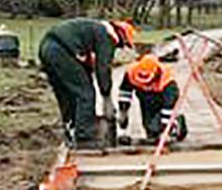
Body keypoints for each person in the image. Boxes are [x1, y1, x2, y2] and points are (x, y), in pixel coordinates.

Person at [38, 18, 135, 148]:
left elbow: (86, 67)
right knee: (86, 94)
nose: (117, 48)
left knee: (66, 94)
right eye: (121, 45)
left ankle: (71, 129)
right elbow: (103, 68)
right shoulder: (106, 36)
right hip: (62, 51)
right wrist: (107, 97)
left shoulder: (91, 30)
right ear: (120, 36)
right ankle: (85, 138)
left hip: (47, 48)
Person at [116, 53, 186, 145]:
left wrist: (165, 129)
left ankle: (177, 123)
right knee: (151, 129)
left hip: (161, 97)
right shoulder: (131, 72)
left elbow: (168, 106)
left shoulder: (167, 81)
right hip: (144, 97)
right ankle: (155, 131)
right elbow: (125, 92)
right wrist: (123, 111)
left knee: (160, 127)